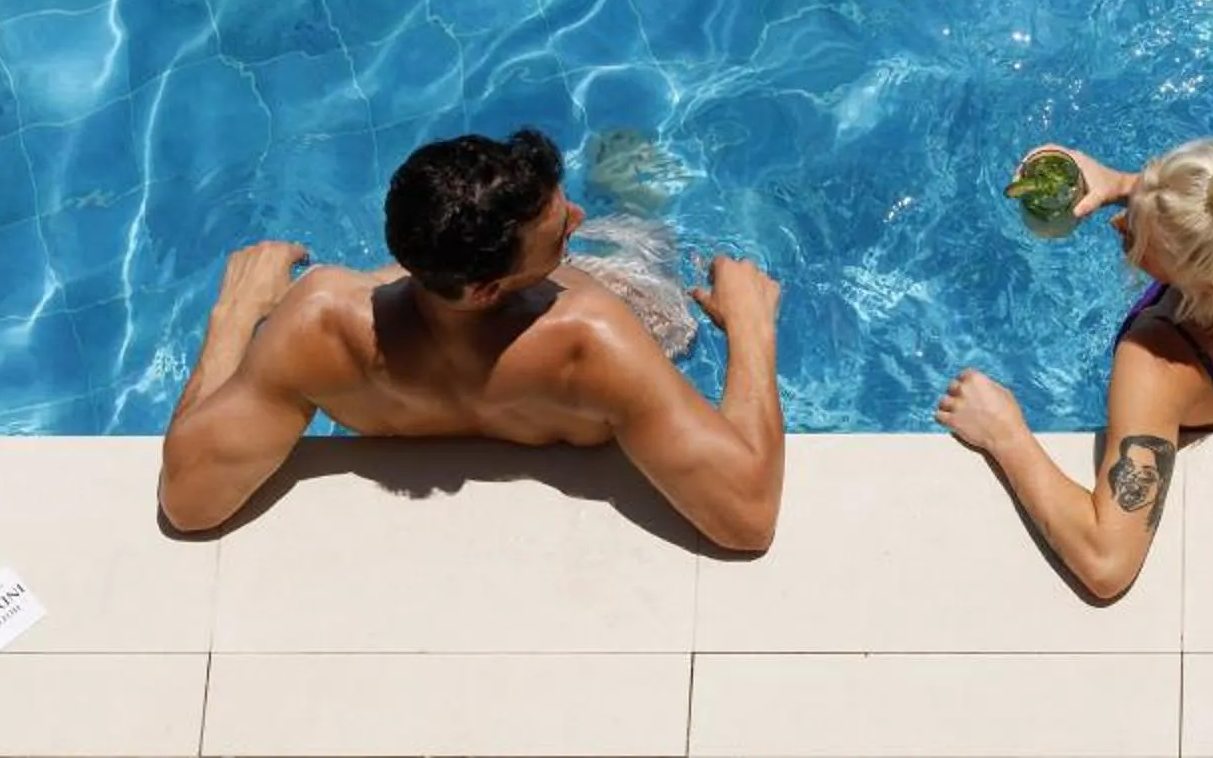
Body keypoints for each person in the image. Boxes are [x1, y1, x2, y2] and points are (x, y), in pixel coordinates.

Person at [156, 128, 786, 552]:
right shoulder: (590, 339)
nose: (577, 216)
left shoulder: (320, 326)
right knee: (649, 263)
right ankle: (634, 197)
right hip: (572, 377)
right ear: (487, 289)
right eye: (561, 232)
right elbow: (747, 516)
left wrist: (237, 314)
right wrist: (751, 326)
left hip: (426, 328)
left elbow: (188, 503)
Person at [934, 138, 1213, 598]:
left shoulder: (1160, 363)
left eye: (1138, 242)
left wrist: (1006, 434)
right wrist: (1118, 183)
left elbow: (1107, 563)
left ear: (1201, 288)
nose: (1119, 222)